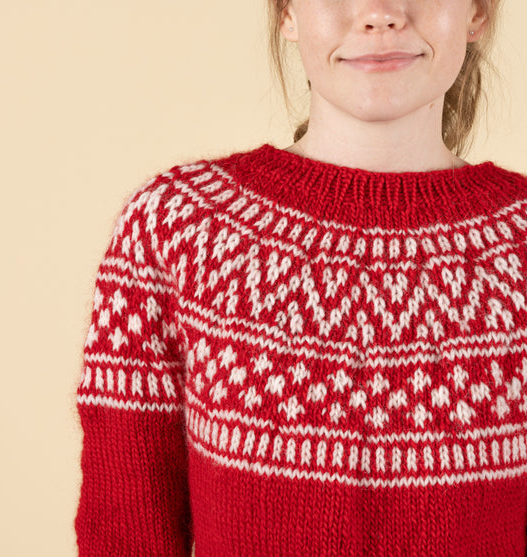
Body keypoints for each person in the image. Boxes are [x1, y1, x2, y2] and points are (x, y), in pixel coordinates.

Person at [74, 1, 527, 555]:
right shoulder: (178, 228)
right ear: (287, 14)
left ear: (477, 13)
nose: (380, 13)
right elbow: (125, 534)